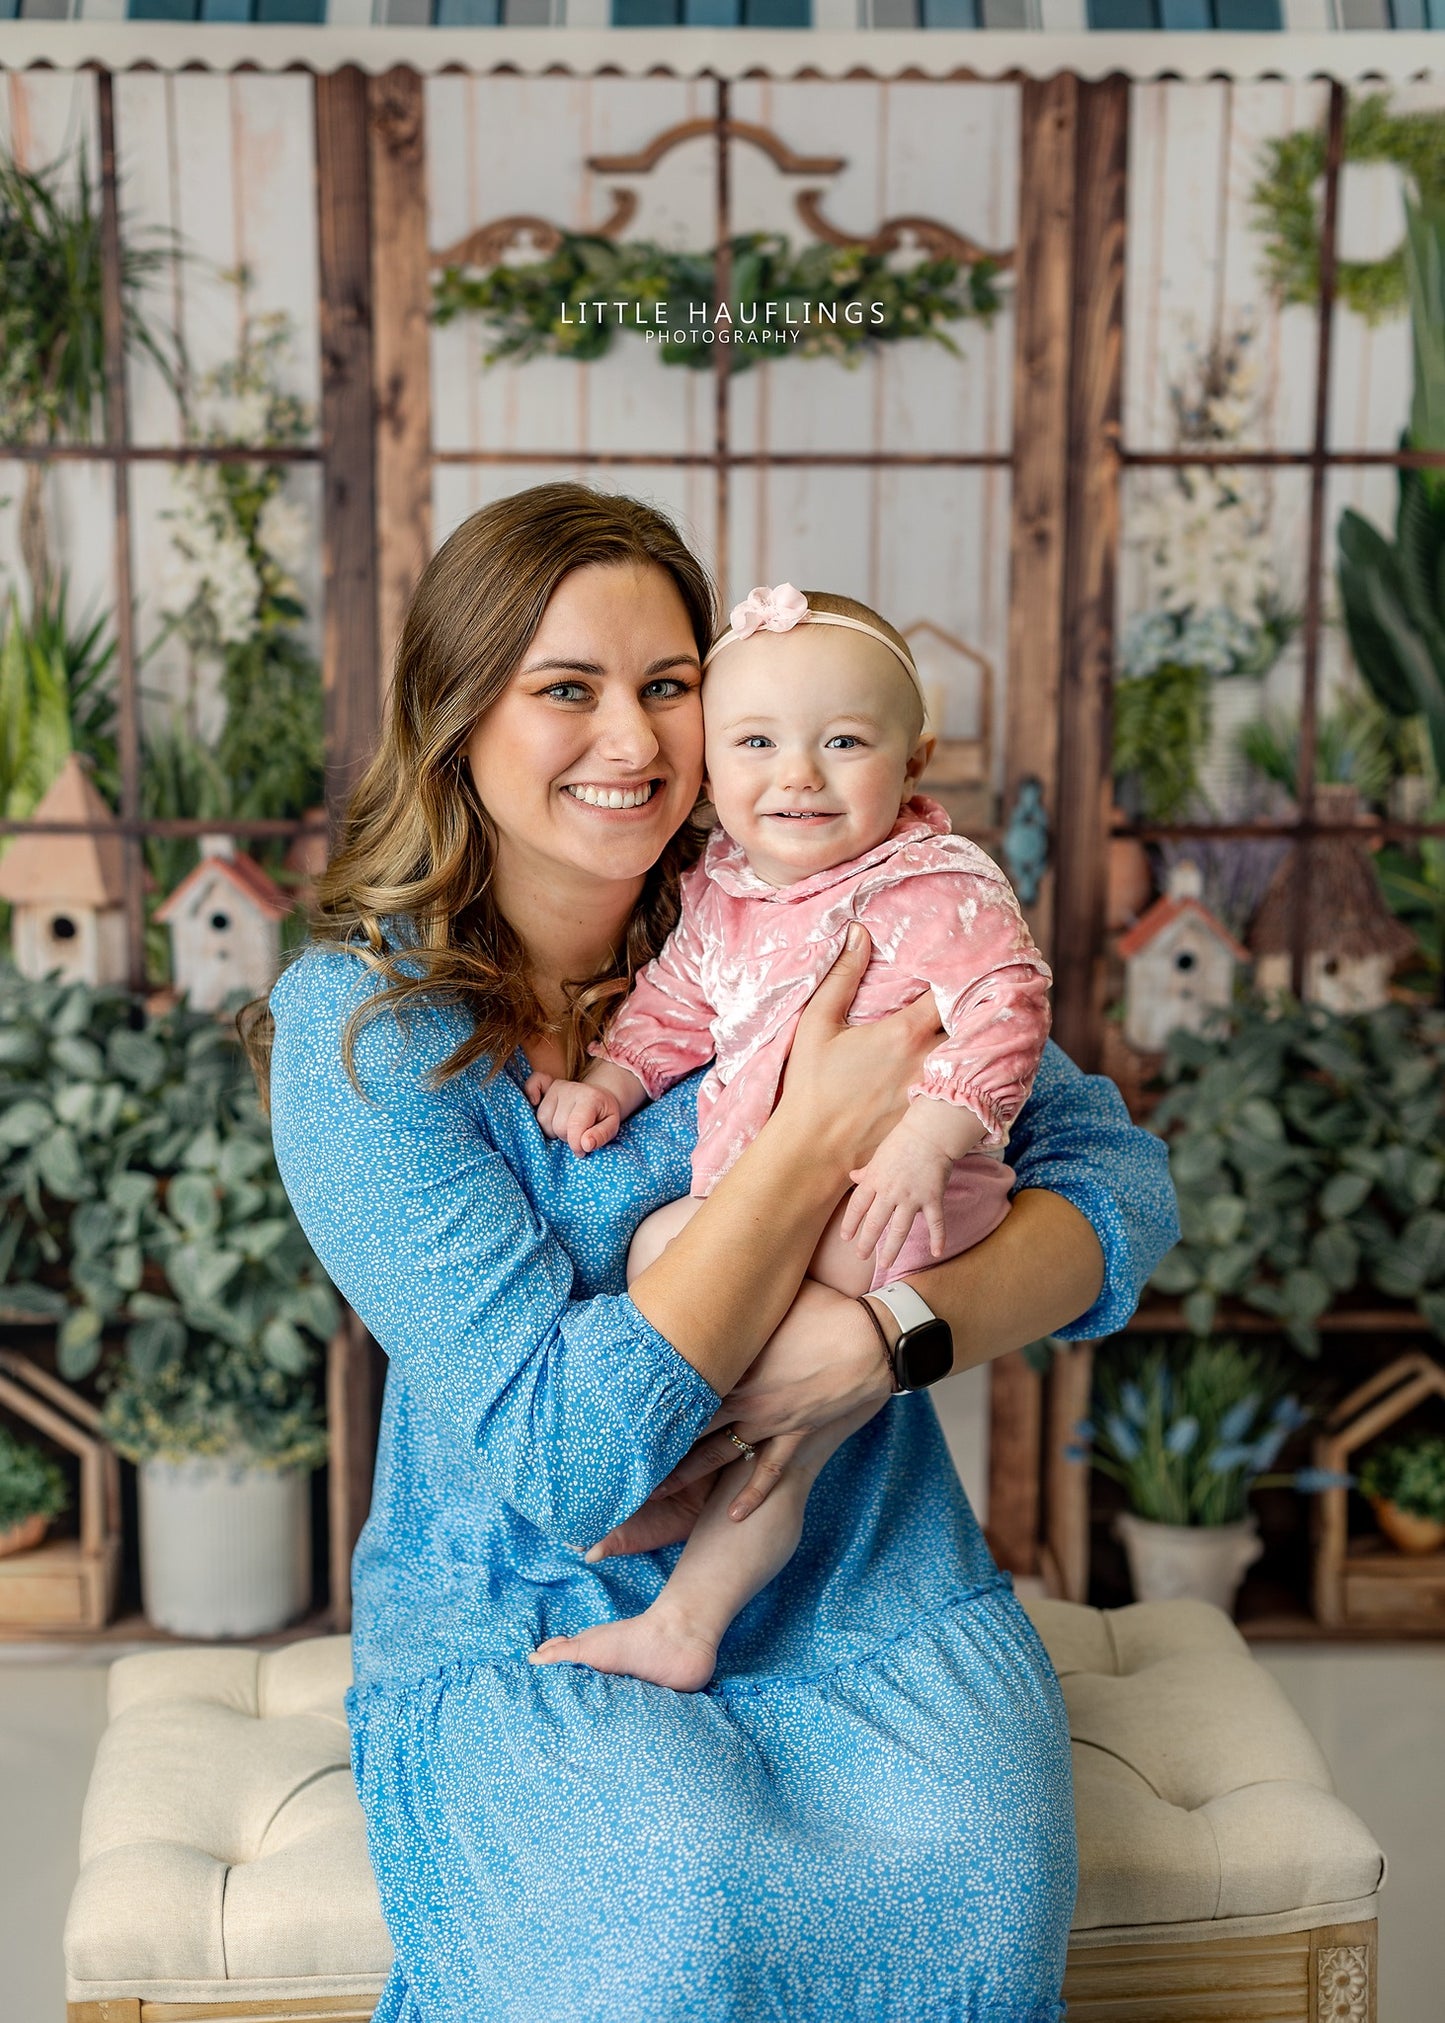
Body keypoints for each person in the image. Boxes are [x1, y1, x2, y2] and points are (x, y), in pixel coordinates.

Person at [265, 482, 1179, 2023]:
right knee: (667, 1935)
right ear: (456, 721)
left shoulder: (832, 900)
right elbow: (572, 1457)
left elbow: (1119, 1194)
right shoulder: (364, 1034)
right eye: (567, 690)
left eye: (669, 686)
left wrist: (893, 1332)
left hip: (867, 1588)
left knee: (968, 1891)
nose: (632, 741)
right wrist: (820, 1130)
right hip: (536, 1614)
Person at [527, 581, 1053, 1692]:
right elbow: (678, 1000)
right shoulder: (723, 888)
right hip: (773, 1201)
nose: (798, 774)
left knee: (763, 1382)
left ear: (915, 762)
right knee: (665, 1255)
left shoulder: (930, 883)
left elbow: (1007, 1008)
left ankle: (684, 1570)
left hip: (890, 1199)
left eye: (844, 741)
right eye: (755, 742)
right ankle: (691, 1534)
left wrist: (937, 1130)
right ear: (710, 766)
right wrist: (614, 1078)